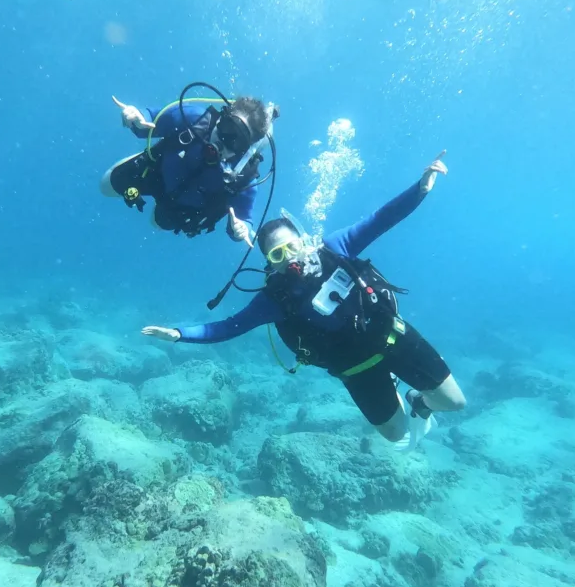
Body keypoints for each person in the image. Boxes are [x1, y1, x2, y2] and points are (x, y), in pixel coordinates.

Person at [141, 152, 466, 448]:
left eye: (292, 247)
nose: (289, 259)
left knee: (454, 402)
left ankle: (419, 403)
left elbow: (382, 218)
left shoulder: (335, 248)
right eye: (278, 255)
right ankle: (401, 398)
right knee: (396, 435)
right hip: (355, 368)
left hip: (392, 336)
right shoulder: (274, 298)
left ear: (303, 241)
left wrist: (420, 189)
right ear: (270, 261)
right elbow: (227, 328)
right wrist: (180, 334)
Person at [101, 92, 274, 243]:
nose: (223, 141)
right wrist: (137, 118)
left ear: (246, 150)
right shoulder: (194, 119)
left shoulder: (244, 177)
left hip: (179, 209)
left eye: (236, 142)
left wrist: (241, 230)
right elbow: (151, 121)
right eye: (227, 128)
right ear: (221, 118)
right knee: (105, 185)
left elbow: (243, 220)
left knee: (156, 223)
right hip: (155, 172)